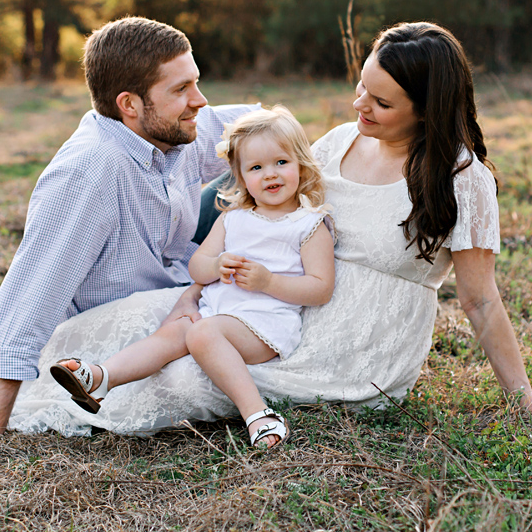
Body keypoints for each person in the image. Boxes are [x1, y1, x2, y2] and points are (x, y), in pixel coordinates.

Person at [0, 21, 532, 444]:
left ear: (427, 108)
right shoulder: (332, 145)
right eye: (360, 90)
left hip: (358, 346)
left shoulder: (462, 180)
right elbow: (33, 286)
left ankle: (20, 405)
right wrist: (216, 272)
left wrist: (525, 402)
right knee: (142, 322)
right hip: (270, 304)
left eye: (380, 102)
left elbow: (481, 300)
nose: (360, 109)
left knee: (180, 372)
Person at [0, 16, 257, 448]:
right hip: (113, 324)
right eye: (181, 90)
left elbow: (261, 127)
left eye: (196, 82)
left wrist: (352, 118)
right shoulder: (89, 172)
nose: (200, 100)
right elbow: (32, 293)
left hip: (174, 284)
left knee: (267, 204)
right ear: (129, 105)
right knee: (214, 364)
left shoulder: (172, 129)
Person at [49, 106, 335, 448]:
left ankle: (259, 414)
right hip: (218, 316)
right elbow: (197, 266)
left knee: (200, 331)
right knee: (171, 333)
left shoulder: (308, 224)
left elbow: (320, 288)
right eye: (256, 168)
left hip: (264, 327)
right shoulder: (234, 218)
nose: (270, 174)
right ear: (241, 178)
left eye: (281, 163)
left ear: (301, 164)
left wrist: (268, 282)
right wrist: (217, 266)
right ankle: (101, 377)